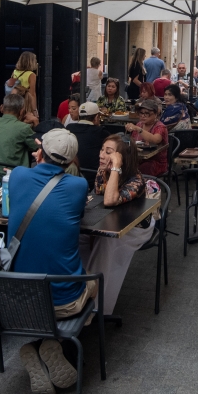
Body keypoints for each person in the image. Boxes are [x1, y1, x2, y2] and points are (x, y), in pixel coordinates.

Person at [6, 129, 93, 394]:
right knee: (93, 279)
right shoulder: (78, 186)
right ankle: (52, 342)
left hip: (13, 299)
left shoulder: (19, 176)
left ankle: (41, 344)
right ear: (70, 161)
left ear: (40, 152)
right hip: (62, 304)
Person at [78, 134, 154, 317]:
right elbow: (99, 199)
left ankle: (96, 306)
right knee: (77, 236)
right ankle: (76, 289)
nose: (101, 155)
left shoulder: (136, 180)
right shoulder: (102, 170)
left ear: (121, 157)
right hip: (110, 221)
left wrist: (116, 168)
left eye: (108, 152)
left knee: (106, 243)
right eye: (102, 150)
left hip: (136, 227)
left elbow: (110, 200)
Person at [0, 93, 39, 173]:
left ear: (1, 108)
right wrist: (36, 121)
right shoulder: (23, 128)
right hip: (13, 175)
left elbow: (11, 132)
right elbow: (38, 146)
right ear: (21, 112)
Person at [124, 97, 168, 177]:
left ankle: (140, 187)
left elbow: (155, 140)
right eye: (141, 113)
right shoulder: (139, 124)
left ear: (155, 114)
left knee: (142, 168)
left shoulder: (160, 127)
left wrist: (139, 129)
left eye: (147, 113)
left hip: (155, 161)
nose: (143, 116)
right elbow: (133, 141)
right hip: (139, 158)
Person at [67, 101, 112, 175]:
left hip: (71, 175)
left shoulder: (69, 128)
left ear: (79, 116)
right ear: (96, 117)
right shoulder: (101, 132)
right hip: (93, 176)